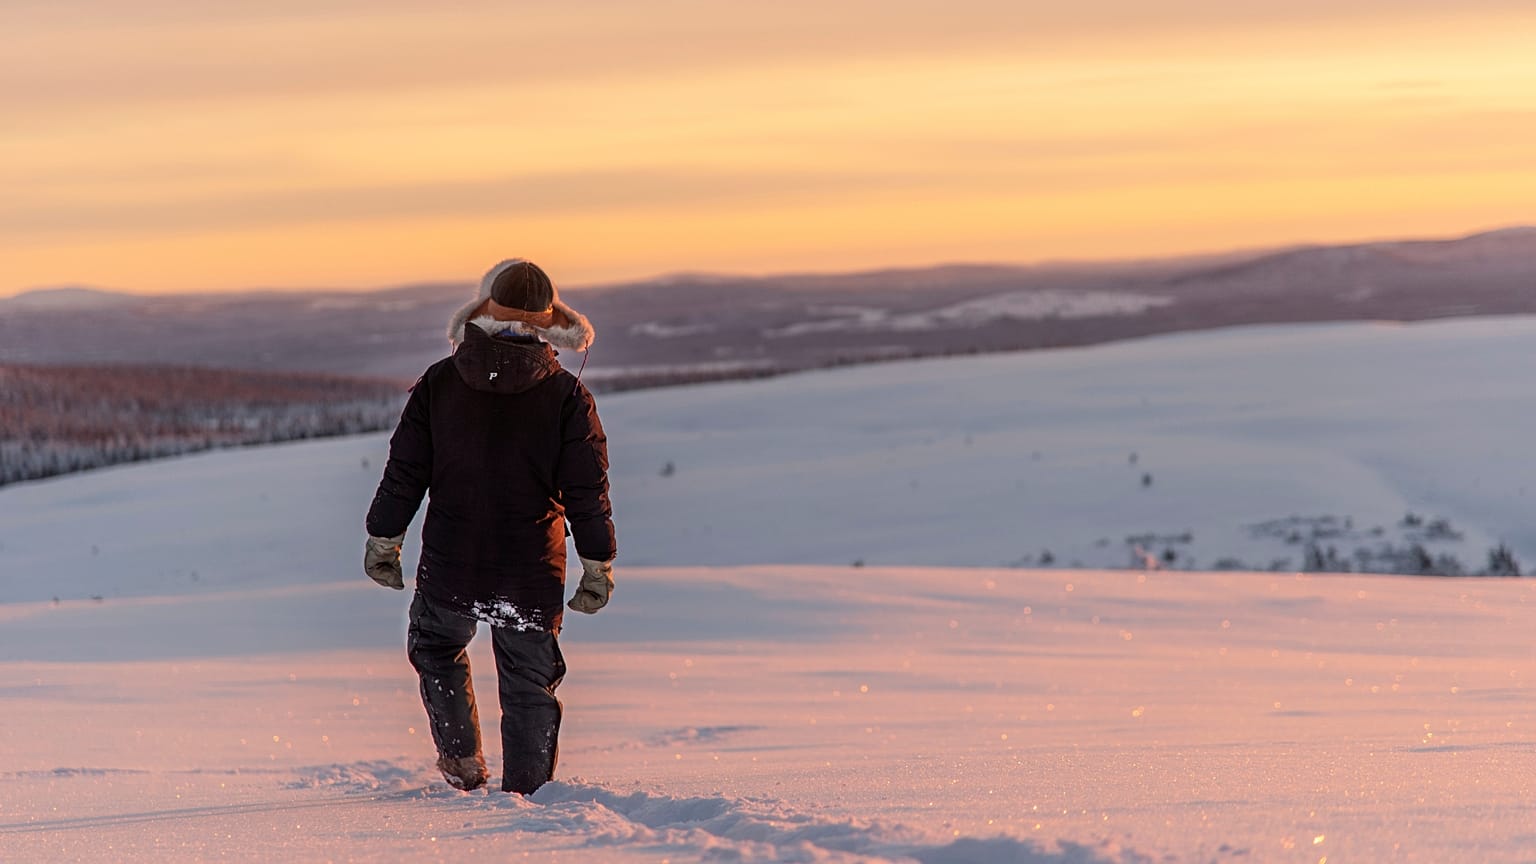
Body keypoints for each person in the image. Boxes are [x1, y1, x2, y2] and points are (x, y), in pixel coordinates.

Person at [362, 259, 616, 794]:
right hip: (530, 572)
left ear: (483, 313)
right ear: (550, 325)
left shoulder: (440, 381)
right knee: (529, 683)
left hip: (451, 564)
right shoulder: (568, 396)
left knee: (435, 648)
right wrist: (597, 564)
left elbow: (406, 471)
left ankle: (461, 764)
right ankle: (529, 795)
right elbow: (587, 493)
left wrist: (385, 539)